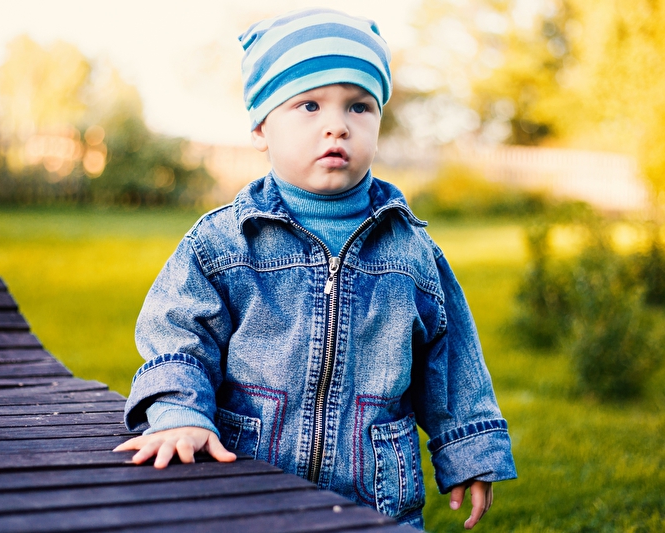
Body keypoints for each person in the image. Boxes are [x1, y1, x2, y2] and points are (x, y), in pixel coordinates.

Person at [114, 7, 516, 529]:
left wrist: (468, 448)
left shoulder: (410, 251)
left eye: (359, 106)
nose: (337, 125)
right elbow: (178, 337)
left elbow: (452, 359)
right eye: (309, 104)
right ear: (261, 126)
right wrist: (180, 414)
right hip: (249, 490)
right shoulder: (224, 244)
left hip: (376, 501)